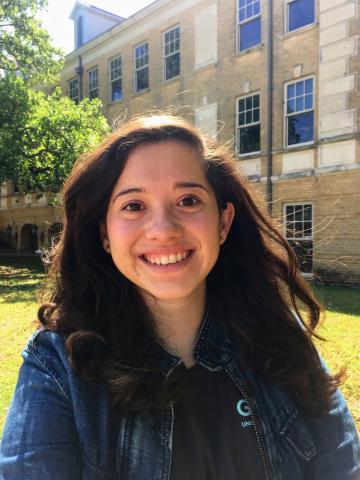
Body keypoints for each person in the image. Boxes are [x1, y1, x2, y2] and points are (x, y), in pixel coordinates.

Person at [0, 114, 359, 479]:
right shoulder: (59, 366)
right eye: (133, 206)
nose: (163, 230)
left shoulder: (281, 334)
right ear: (105, 234)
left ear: (223, 222)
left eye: (188, 200)